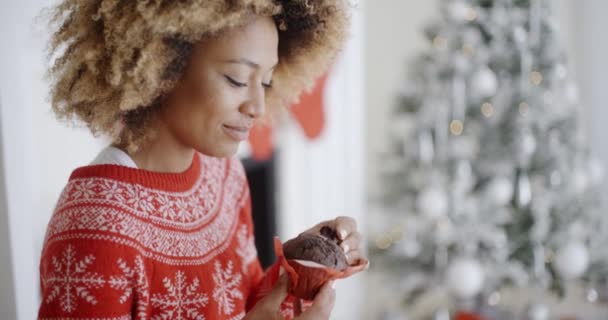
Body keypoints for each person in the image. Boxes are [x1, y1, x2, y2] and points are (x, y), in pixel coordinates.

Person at [38, 1, 365, 319]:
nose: (257, 106)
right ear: (163, 64)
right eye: (237, 79)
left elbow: (248, 298)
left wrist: (303, 268)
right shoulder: (94, 228)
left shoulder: (223, 173)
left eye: (265, 83)